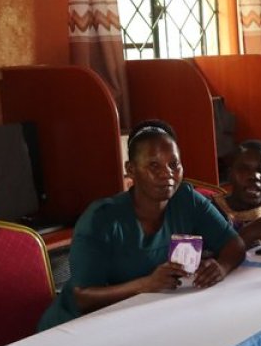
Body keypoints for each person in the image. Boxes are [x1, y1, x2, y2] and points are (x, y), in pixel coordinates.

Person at [38, 120, 247, 330]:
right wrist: (145, 285)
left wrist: (222, 267)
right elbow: (82, 297)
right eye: (154, 165)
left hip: (140, 319)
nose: (168, 174)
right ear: (131, 170)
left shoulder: (187, 200)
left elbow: (234, 245)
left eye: (174, 165)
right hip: (77, 328)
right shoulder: (101, 218)